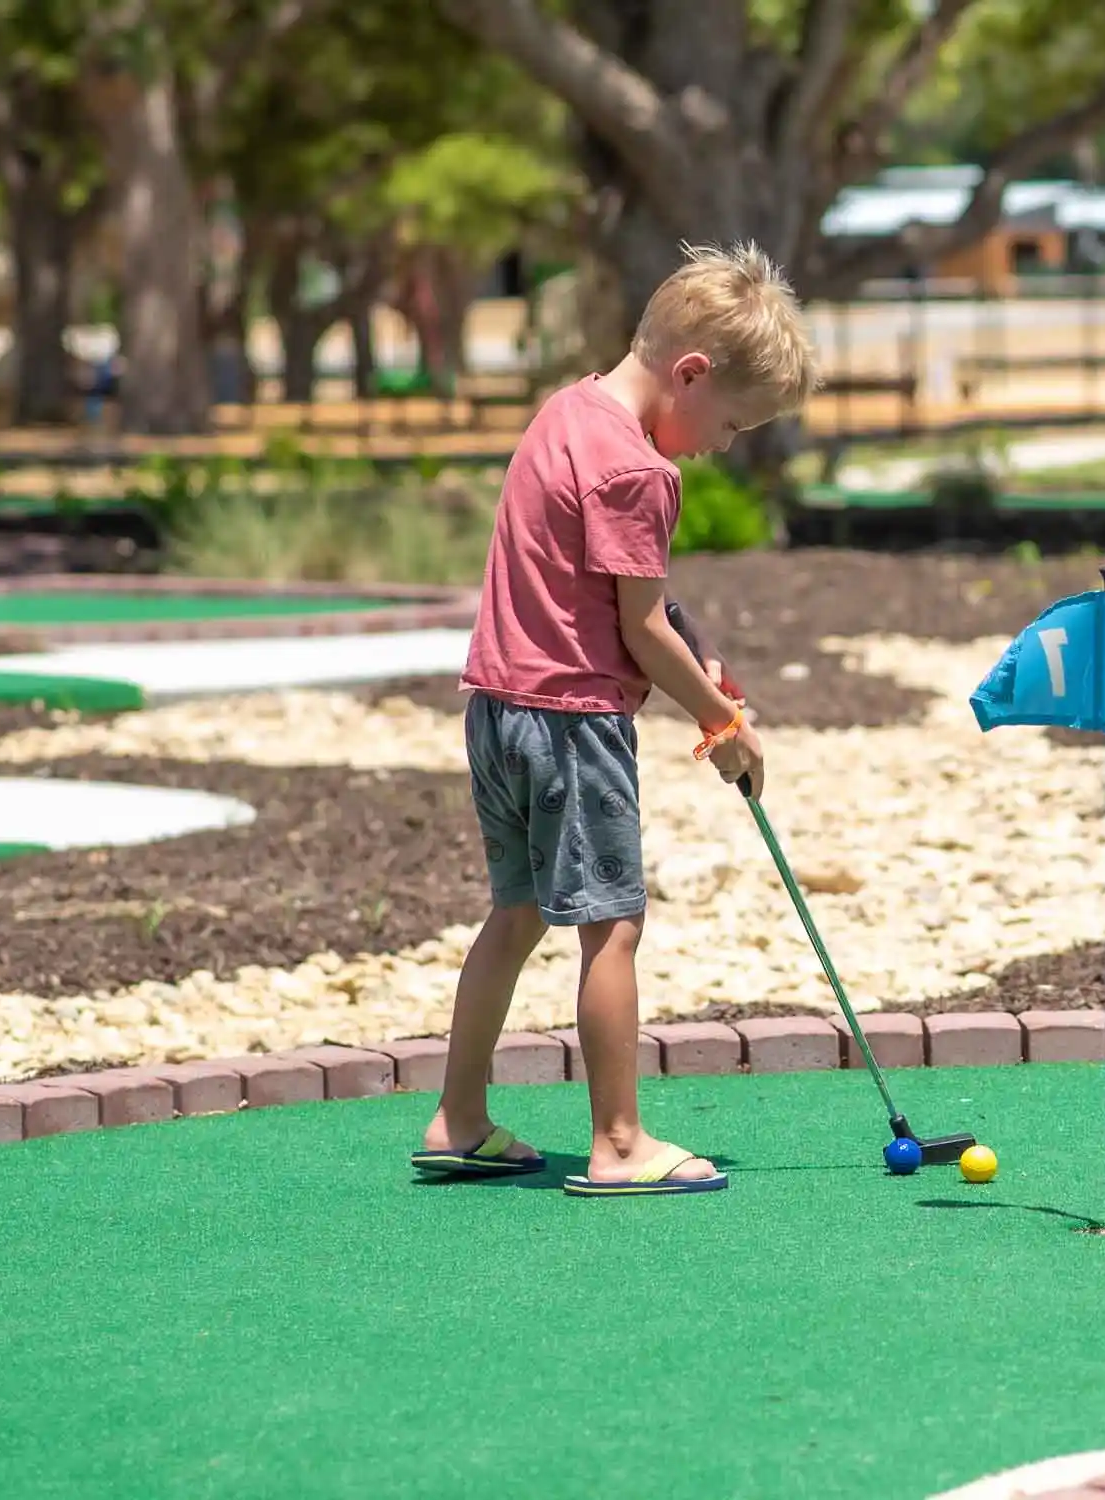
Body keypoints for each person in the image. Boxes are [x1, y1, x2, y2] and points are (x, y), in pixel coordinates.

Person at [411, 243, 821, 1198]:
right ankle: (620, 1143)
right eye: (729, 422)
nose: (722, 444)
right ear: (692, 374)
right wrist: (727, 724)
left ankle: (459, 1117)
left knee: (515, 916)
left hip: (498, 711)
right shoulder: (641, 472)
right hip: (573, 724)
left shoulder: (564, 414)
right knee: (613, 928)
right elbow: (637, 632)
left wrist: (695, 650)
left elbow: (618, 599)